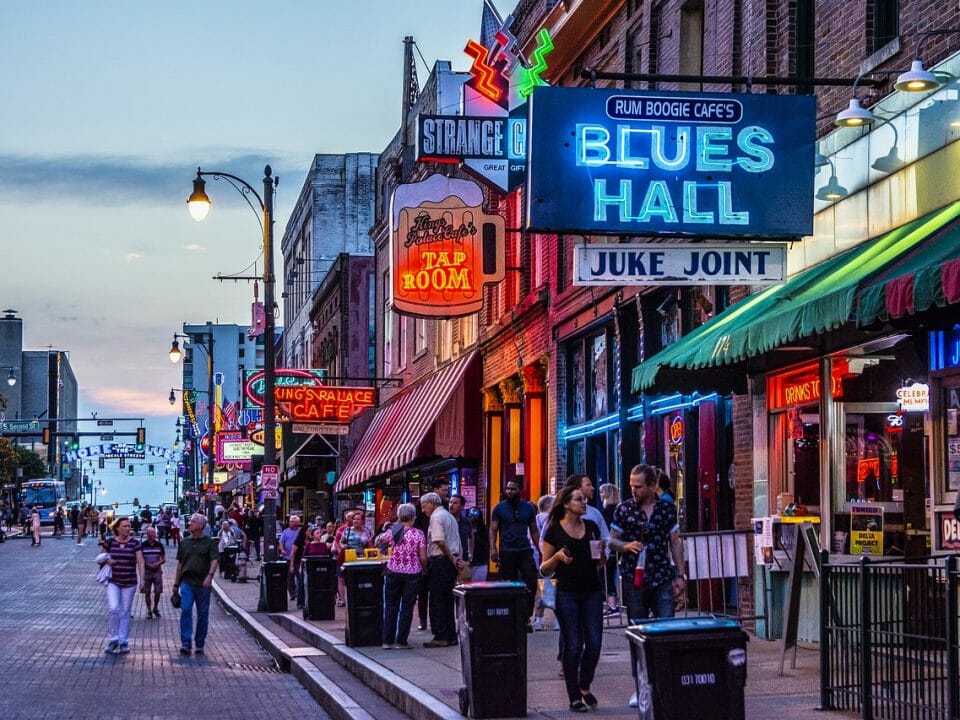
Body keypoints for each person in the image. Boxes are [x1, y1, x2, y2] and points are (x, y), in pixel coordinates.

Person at [608, 464, 687, 707]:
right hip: (635, 579)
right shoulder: (623, 510)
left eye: (638, 486)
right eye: (631, 486)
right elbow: (611, 541)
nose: (633, 490)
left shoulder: (666, 509)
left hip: (662, 576)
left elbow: (675, 541)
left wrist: (680, 576)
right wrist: (626, 546)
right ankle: (641, 686)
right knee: (638, 632)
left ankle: (665, 684)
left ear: (652, 486)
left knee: (666, 630)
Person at [539, 485, 606, 713]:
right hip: (566, 592)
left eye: (583, 499)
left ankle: (584, 683)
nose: (583, 502)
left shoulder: (592, 527)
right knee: (574, 644)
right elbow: (544, 569)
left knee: (595, 643)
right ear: (566, 504)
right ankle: (574, 696)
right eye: (578, 499)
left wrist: (602, 555)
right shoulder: (554, 531)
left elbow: (600, 563)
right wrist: (557, 557)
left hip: (592, 591)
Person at [489, 480, 540, 627]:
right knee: (509, 584)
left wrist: (540, 549)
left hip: (524, 550)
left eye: (513, 489)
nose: (509, 491)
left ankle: (527, 616)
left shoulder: (529, 508)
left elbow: (534, 530)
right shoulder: (499, 508)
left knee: (531, 581)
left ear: (520, 490)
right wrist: (493, 548)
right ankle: (512, 616)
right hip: (507, 551)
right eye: (507, 488)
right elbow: (493, 529)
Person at [380, 502, 427, 650]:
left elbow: (380, 541)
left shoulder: (394, 530)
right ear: (413, 517)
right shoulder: (419, 534)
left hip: (393, 571)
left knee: (390, 606)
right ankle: (401, 641)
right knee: (407, 607)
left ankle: (387, 640)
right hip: (412, 573)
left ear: (400, 516)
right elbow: (423, 557)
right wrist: (424, 569)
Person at [421, 492, 465, 648]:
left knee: (437, 600)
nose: (423, 510)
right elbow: (456, 540)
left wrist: (453, 559)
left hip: (441, 561)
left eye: (424, 505)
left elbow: (439, 540)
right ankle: (450, 635)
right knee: (447, 600)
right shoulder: (449, 516)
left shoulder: (436, 517)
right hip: (450, 561)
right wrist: (456, 558)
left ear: (432, 503)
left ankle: (441, 635)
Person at [172, 513, 219, 656]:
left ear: (200, 525)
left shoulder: (210, 543)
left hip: (203, 584)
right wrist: (176, 584)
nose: (189, 524)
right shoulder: (184, 542)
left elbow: (214, 560)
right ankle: (186, 642)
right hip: (187, 582)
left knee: (203, 614)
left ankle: (199, 643)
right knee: (186, 609)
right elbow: (180, 564)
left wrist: (210, 576)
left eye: (192, 522)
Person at [99, 517, 144, 655]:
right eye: (124, 526)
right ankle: (113, 638)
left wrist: (142, 579)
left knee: (125, 611)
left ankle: (123, 641)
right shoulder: (110, 542)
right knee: (113, 609)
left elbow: (140, 561)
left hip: (129, 581)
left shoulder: (135, 544)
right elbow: (100, 558)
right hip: (114, 580)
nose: (127, 528)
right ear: (117, 528)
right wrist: (107, 560)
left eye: (129, 526)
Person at [598, 483, 621, 617]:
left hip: (609, 548)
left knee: (605, 575)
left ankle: (612, 605)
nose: (600, 496)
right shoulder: (619, 509)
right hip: (617, 548)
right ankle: (614, 604)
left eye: (602, 493)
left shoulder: (607, 512)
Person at [533, 494, 555, 631]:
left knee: (540, 591)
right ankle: (557, 621)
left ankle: (538, 620)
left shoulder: (535, 519)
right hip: (550, 558)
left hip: (538, 558)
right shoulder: (551, 519)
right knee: (550, 589)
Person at [140, 525, 165, 618]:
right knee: (147, 591)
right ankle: (149, 610)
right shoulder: (143, 545)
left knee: (158, 590)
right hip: (146, 570)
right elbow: (140, 558)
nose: (153, 535)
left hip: (157, 570)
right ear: (147, 535)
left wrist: (157, 563)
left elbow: (163, 558)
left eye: (154, 533)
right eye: (150, 533)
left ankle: (155, 607)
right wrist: (147, 564)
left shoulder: (159, 545)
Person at [279, 515, 302, 601]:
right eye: (290, 521)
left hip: (298, 557)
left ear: (297, 523)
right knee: (289, 577)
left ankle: (300, 593)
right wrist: (282, 550)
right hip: (288, 557)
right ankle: (292, 593)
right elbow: (281, 542)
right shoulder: (286, 531)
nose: (290, 523)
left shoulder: (300, 532)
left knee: (299, 576)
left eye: (292, 522)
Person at [448, 494, 473, 565]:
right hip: (448, 558)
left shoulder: (466, 521)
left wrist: (470, 554)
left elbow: (471, 537)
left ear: (462, 507)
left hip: (463, 558)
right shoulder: (445, 520)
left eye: (455, 503)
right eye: (450, 502)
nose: (451, 505)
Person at [468, 508, 489, 582]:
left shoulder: (484, 530)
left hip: (481, 563)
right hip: (466, 563)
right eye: (470, 514)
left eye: (475, 514)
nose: (472, 516)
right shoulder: (464, 528)